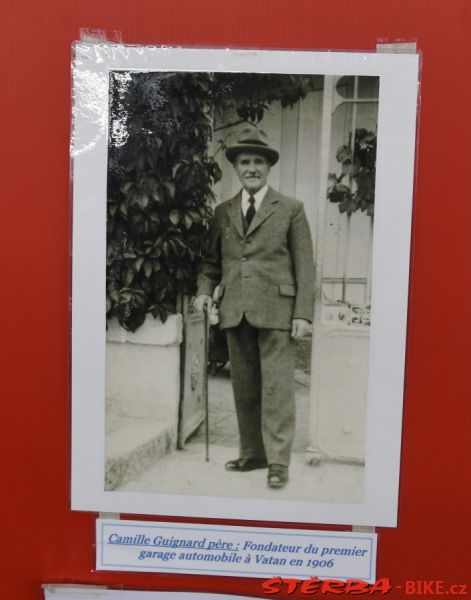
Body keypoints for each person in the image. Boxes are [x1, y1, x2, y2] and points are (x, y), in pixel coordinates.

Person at [195, 126, 314, 489]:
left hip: (278, 309)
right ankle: (253, 453)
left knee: (277, 386)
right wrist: (204, 291)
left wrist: (303, 313)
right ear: (236, 168)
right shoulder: (223, 211)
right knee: (244, 386)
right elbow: (211, 263)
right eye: (244, 162)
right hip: (236, 309)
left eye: (258, 162)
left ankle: (278, 461)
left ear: (268, 167)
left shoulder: (291, 209)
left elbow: (305, 265)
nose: (251, 168)